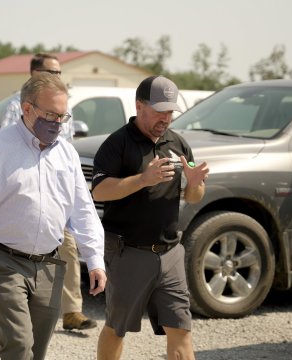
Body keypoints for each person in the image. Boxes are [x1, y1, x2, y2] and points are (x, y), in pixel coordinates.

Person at [0, 72, 106, 360]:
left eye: (62, 116)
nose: (57, 123)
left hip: (50, 263)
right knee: (19, 347)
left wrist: (95, 259)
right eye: (50, 115)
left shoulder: (67, 154)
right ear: (27, 109)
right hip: (5, 261)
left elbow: (82, 210)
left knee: (37, 351)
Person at [93, 75, 209, 360]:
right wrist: (143, 179)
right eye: (159, 110)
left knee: (181, 329)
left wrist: (194, 184)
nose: (165, 118)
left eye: (170, 111)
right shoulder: (117, 143)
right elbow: (99, 191)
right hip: (129, 252)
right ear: (139, 106)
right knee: (116, 327)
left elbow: (194, 196)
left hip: (170, 253)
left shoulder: (179, 144)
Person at [0, 52, 96, 331]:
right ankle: (26, 307)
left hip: (57, 193)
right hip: (26, 192)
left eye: (59, 73)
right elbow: (10, 145)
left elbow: (67, 148)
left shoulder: (66, 107)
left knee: (67, 247)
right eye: (51, 73)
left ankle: (72, 312)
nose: (56, 78)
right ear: (34, 74)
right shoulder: (15, 107)